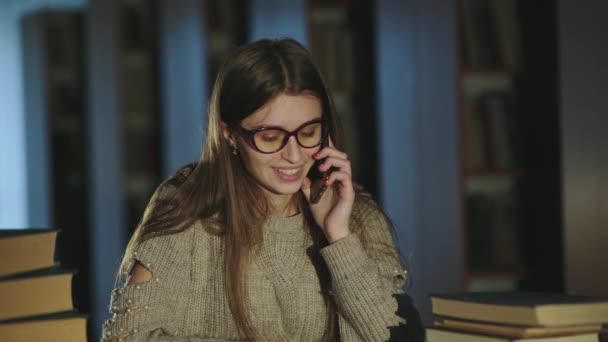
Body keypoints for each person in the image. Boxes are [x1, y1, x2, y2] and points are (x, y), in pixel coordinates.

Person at [101, 38, 411, 342]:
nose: (293, 155)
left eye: (309, 132)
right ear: (230, 135)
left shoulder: (357, 216)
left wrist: (340, 237)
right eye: (270, 136)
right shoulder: (187, 209)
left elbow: (394, 337)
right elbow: (128, 339)